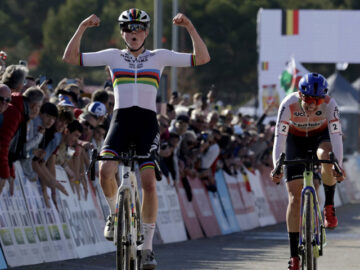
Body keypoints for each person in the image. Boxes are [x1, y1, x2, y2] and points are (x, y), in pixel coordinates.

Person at [62, 8, 210, 269]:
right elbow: (70, 57)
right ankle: (114, 214)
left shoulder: (158, 56)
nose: (134, 33)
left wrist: (189, 27)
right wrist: (83, 26)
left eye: (139, 28)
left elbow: (203, 57)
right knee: (105, 171)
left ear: (146, 32)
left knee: (149, 181)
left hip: (146, 123)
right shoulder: (112, 56)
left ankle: (148, 248)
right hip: (119, 121)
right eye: (128, 28)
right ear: (122, 33)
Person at [270, 73, 346, 270]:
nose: (313, 105)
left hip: (321, 137)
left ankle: (329, 206)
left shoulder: (330, 104)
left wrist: (338, 164)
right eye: (309, 100)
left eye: (317, 100)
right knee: (295, 199)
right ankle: (294, 256)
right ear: (300, 95)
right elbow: (279, 139)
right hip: (296, 141)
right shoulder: (288, 104)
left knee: (326, 157)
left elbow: (337, 137)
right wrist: (276, 166)